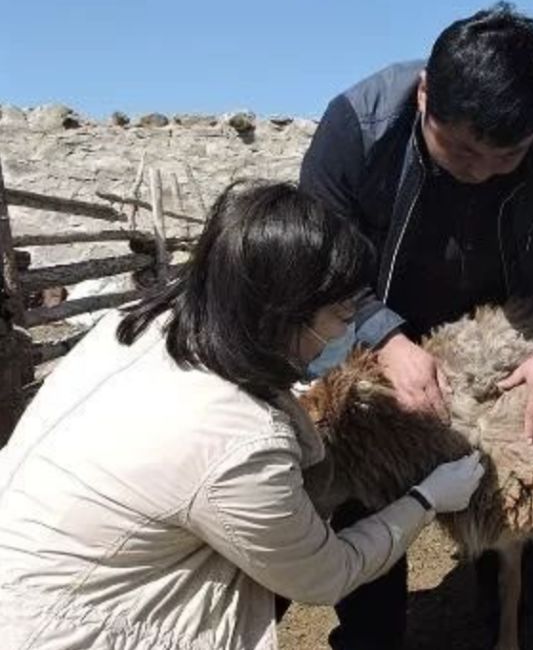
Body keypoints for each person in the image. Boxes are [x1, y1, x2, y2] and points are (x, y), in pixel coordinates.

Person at [0, 182, 484, 650]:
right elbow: (327, 573)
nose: (351, 330)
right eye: (341, 315)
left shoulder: (135, 329)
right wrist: (426, 499)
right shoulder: (238, 445)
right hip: (72, 631)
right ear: (284, 312)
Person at [299, 3, 533, 647]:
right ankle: (372, 634)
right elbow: (317, 258)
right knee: (368, 468)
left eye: (505, 156)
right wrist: (383, 336)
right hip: (379, 316)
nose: (480, 170)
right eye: (459, 149)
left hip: (507, 327)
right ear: (426, 93)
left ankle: (512, 614)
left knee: (521, 469)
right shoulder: (359, 129)